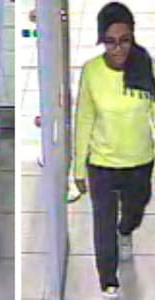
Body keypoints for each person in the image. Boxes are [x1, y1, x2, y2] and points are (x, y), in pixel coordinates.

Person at [74, 2, 155, 298]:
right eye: (110, 41)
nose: (118, 48)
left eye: (124, 41)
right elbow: (84, 119)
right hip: (102, 163)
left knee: (136, 208)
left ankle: (126, 230)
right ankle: (108, 277)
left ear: (133, 38)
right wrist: (78, 168)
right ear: (101, 40)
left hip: (140, 159)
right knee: (102, 221)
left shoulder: (146, 66)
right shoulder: (92, 72)